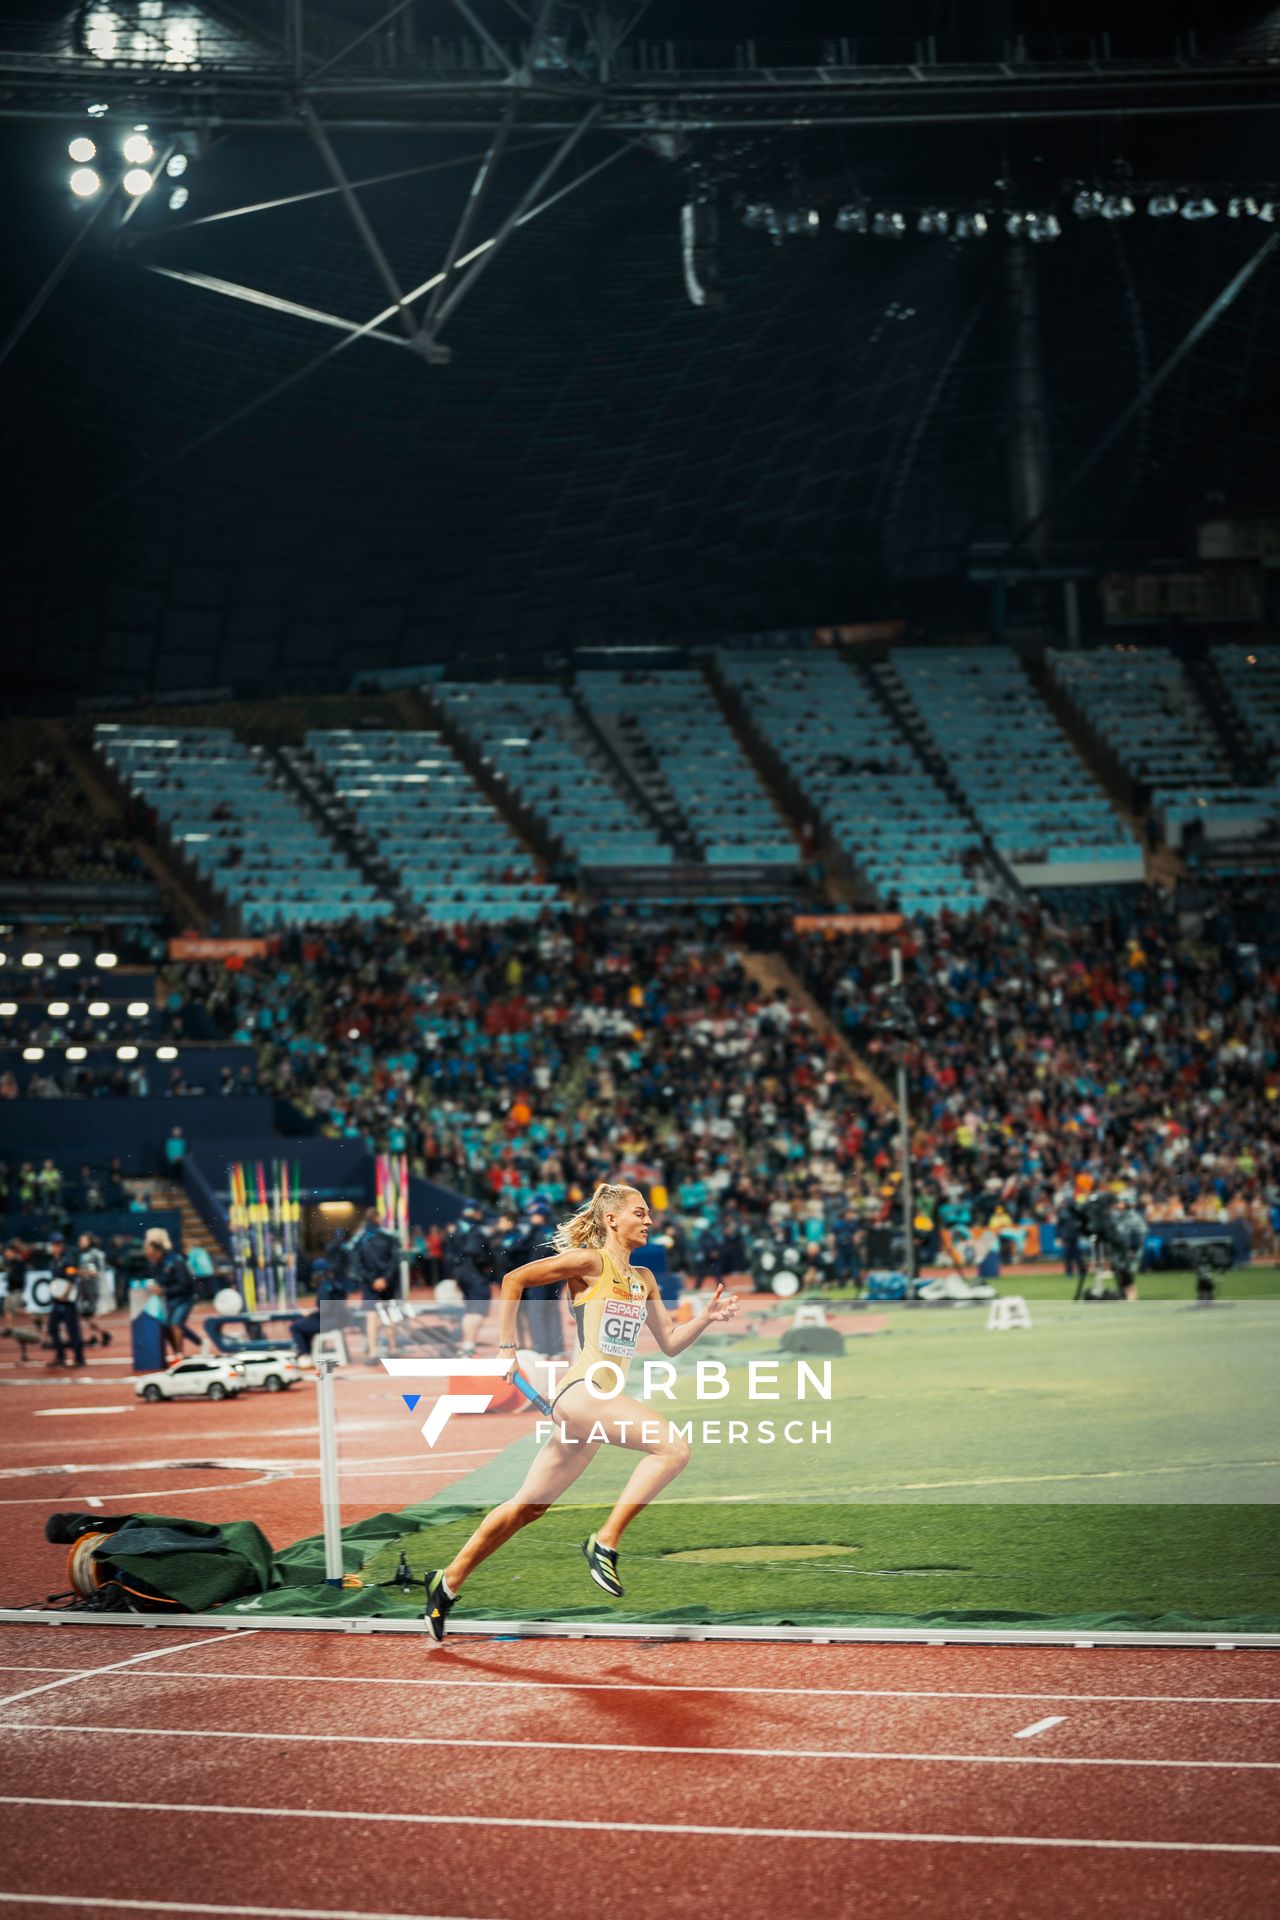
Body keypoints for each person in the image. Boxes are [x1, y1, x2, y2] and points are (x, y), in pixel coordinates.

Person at [422, 1182, 739, 1642]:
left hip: (586, 1415)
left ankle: (445, 1584)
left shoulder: (644, 1279)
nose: (650, 1220)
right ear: (612, 1219)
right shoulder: (591, 1263)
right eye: (640, 1212)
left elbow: (669, 1344)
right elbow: (513, 1280)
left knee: (525, 1509)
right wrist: (507, 1349)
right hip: (582, 1394)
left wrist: (705, 1318)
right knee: (672, 1448)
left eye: (650, 1214)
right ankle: (604, 1541)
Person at [143, 1227, 200, 1360]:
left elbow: (186, 1284)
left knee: (175, 1324)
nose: (149, 1256)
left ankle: (180, 1356)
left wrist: (164, 1290)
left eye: (151, 1253)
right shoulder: (155, 1264)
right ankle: (182, 1351)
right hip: (170, 1298)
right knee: (168, 1326)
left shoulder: (175, 1260)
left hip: (185, 1297)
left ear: (158, 1250)